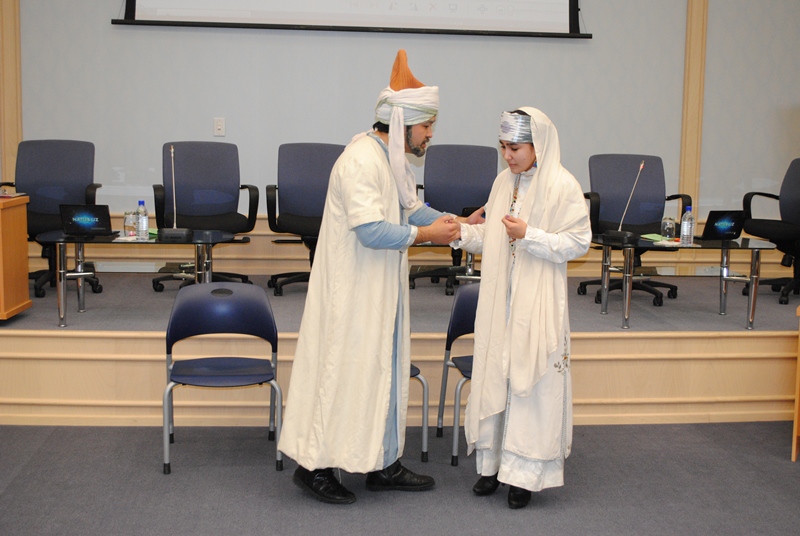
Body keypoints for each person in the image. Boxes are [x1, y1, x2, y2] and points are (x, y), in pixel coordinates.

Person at [278, 50, 471, 505]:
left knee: (383, 373)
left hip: (382, 289)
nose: (431, 135)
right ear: (405, 124)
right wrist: (428, 236)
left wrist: (459, 222)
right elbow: (371, 231)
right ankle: (314, 467)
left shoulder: (392, 158)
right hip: (352, 292)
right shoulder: (361, 160)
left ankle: (382, 462)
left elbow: (411, 209)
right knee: (343, 374)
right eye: (428, 126)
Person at [452, 108, 592, 509]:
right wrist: (460, 232)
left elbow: (578, 242)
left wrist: (530, 235)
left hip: (537, 300)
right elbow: (493, 236)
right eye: (503, 147)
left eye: (515, 148)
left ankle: (524, 476)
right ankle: (493, 465)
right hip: (501, 300)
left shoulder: (563, 186)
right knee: (497, 375)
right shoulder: (503, 182)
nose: (507, 156)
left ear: (538, 145)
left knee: (531, 383)